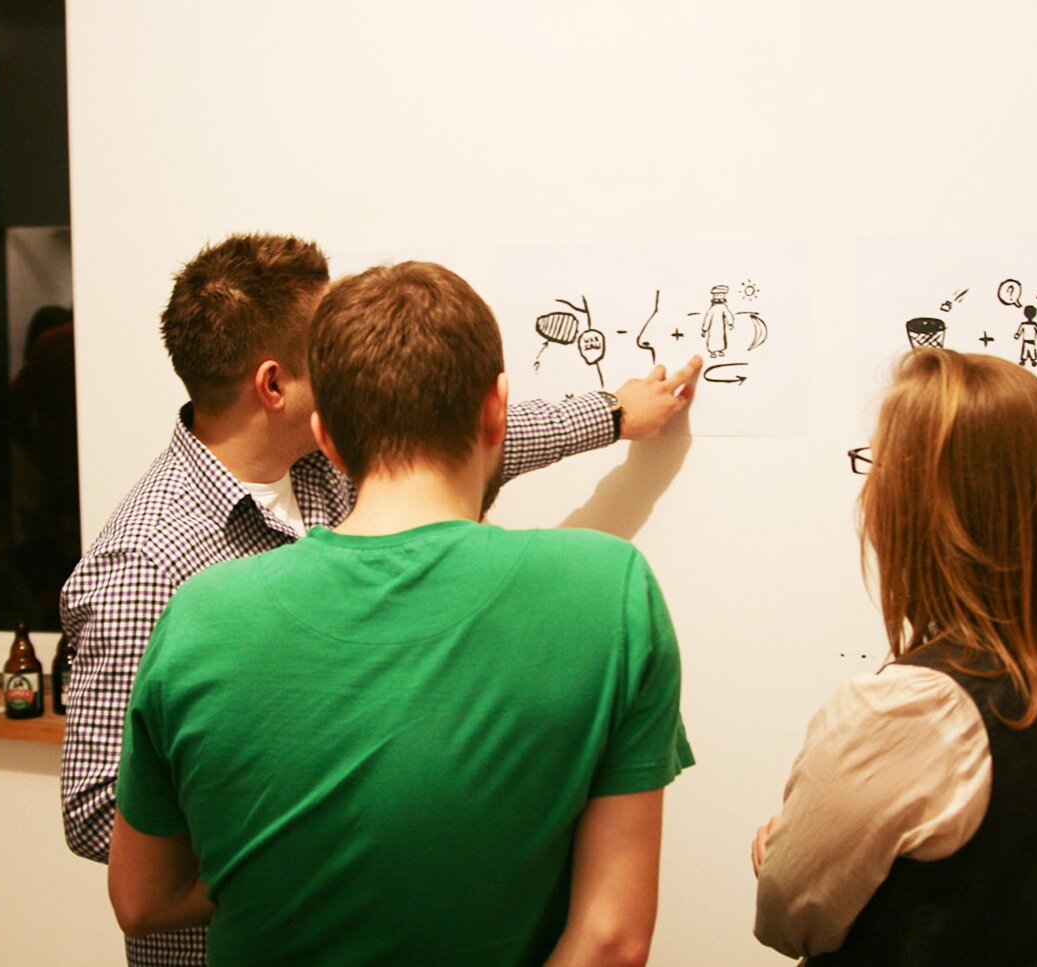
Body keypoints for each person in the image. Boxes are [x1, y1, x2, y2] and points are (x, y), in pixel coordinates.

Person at [60, 233, 700, 967]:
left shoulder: (322, 476)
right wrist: (303, 834)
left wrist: (613, 413)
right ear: (276, 388)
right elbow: (96, 812)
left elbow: (452, 435)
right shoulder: (147, 563)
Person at [752, 348, 1037, 965]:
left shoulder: (911, 707)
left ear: (921, 500)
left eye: (878, 465)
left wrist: (782, 852)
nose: (870, 489)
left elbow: (788, 918)